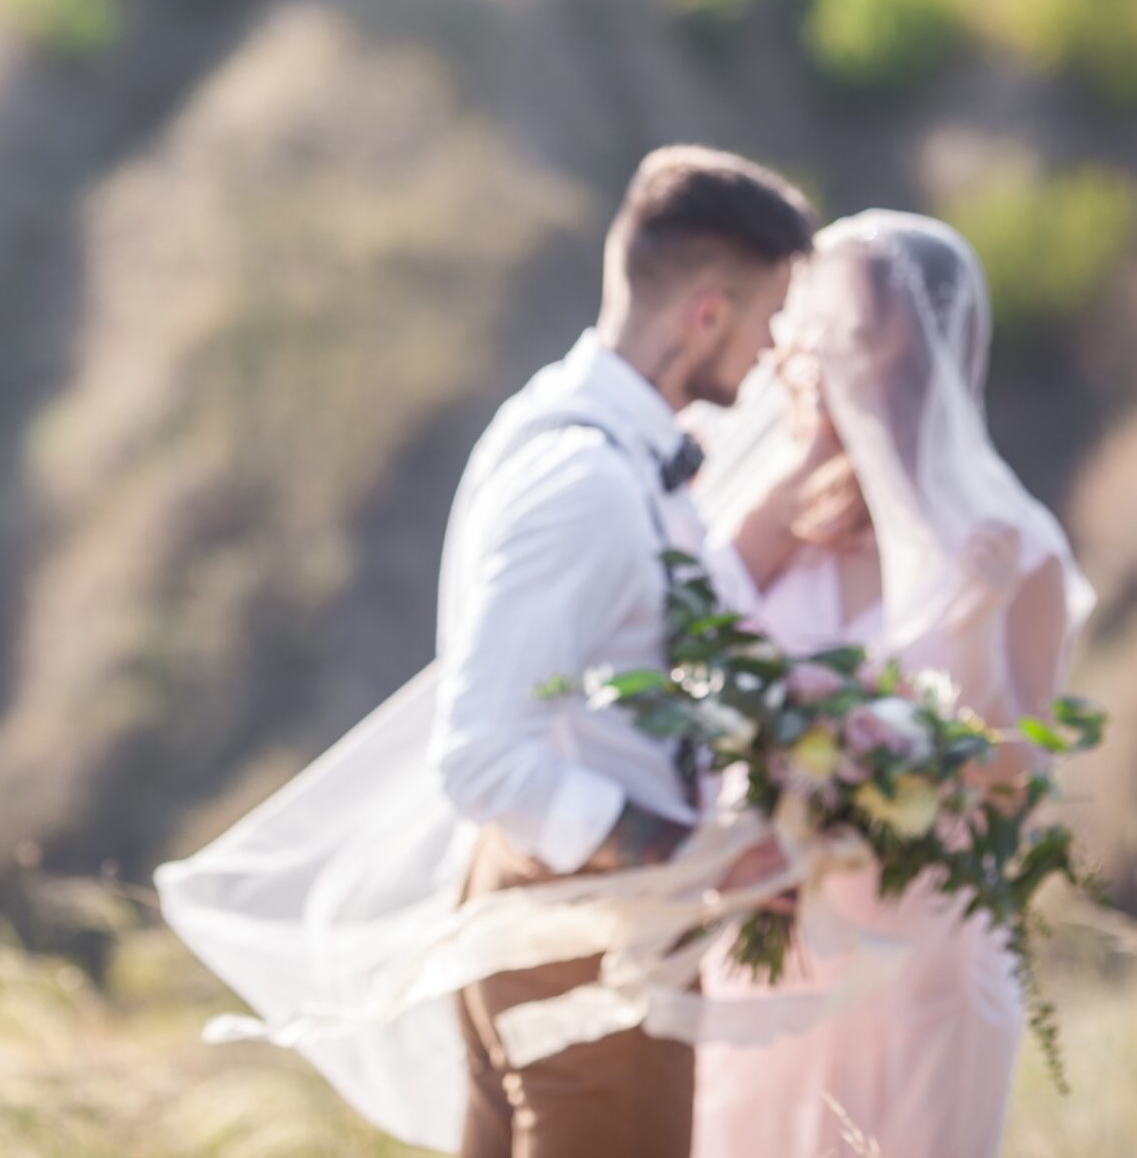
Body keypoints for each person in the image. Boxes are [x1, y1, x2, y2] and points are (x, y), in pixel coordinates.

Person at [157, 145, 817, 1158]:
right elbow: (478, 750)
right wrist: (680, 854)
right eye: (771, 317)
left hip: (557, 907)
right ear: (708, 314)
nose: (775, 350)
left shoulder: (598, 441)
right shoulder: (583, 477)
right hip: (579, 922)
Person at [689, 211, 1095, 1158]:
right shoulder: (782, 514)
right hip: (777, 942)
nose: (801, 355)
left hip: (927, 957)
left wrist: (975, 632)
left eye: (834, 334)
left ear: (901, 349)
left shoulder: (1011, 550)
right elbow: (693, 669)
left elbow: (1018, 792)